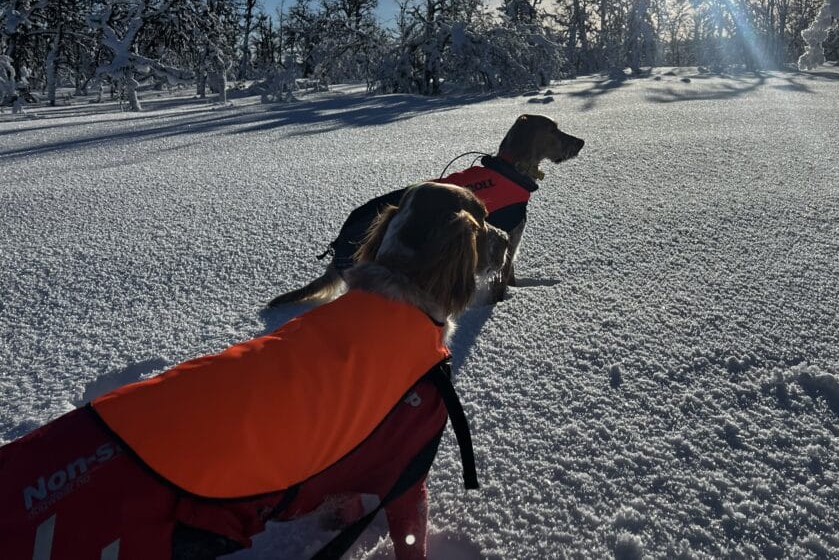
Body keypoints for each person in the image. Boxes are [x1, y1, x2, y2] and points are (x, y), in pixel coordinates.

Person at [0, 182, 502, 560]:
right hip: (161, 493)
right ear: (462, 253)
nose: (496, 239)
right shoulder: (413, 371)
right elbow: (404, 478)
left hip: (113, 438)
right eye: (483, 228)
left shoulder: (342, 324)